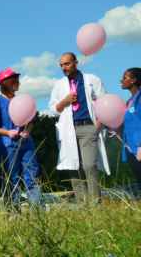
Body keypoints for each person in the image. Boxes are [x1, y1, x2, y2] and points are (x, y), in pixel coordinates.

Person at [47, 53, 110, 204]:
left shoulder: (92, 79)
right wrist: (65, 101)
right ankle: (83, 204)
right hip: (69, 129)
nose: (64, 68)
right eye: (61, 65)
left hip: (89, 126)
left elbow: (105, 103)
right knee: (73, 167)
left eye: (67, 64)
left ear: (76, 62)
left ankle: (96, 204)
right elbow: (52, 110)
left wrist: (97, 126)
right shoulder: (59, 84)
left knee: (89, 165)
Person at [0, 69, 37, 212]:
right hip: (7, 146)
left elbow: (30, 121)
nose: (19, 83)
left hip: (26, 145)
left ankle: (37, 209)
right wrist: (7, 132)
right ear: (8, 83)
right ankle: (12, 211)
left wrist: (27, 131)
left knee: (32, 175)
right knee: (10, 178)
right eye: (16, 81)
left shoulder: (22, 100)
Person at [117, 67, 141, 190]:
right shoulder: (130, 101)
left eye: (125, 77)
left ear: (133, 80)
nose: (121, 80)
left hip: (139, 146)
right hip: (130, 147)